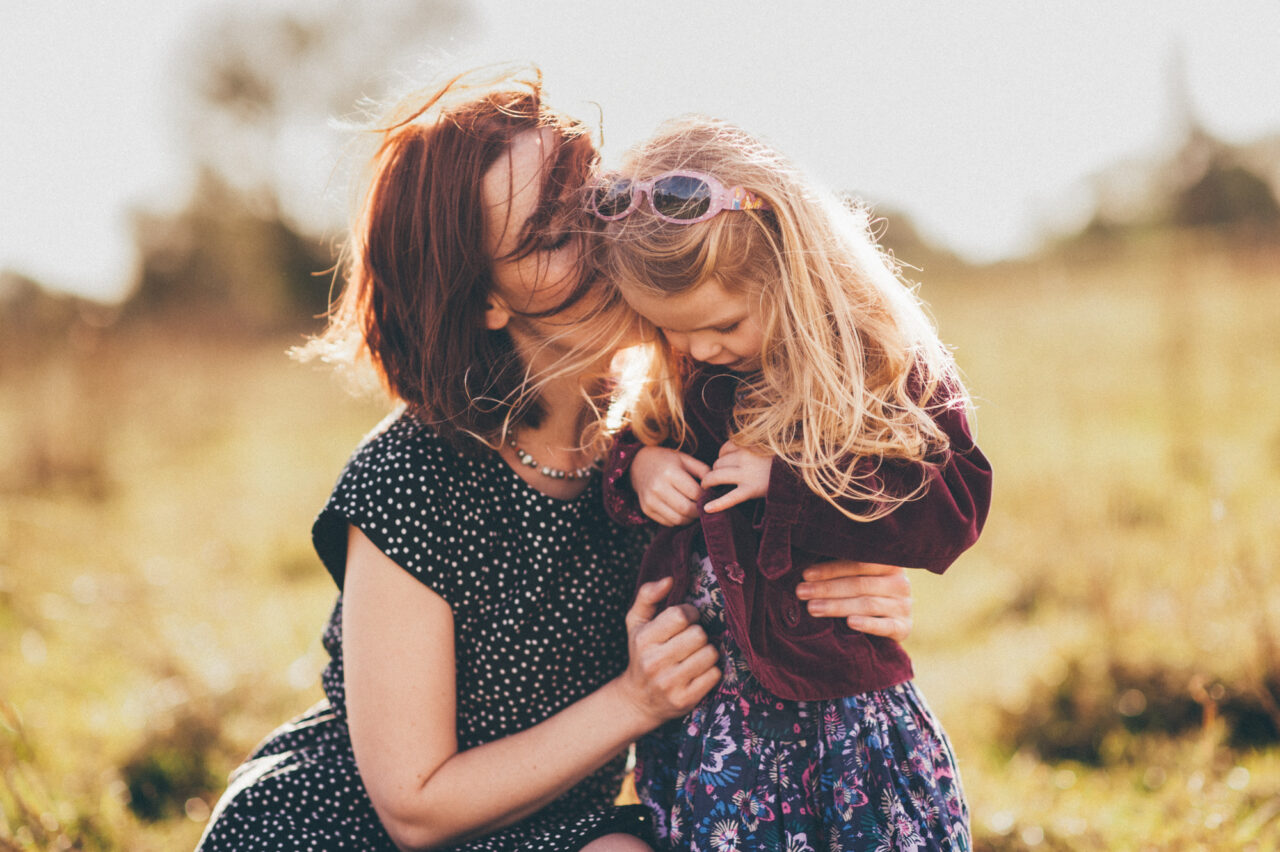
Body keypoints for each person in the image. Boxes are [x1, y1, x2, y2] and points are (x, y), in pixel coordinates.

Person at [195, 68, 919, 852]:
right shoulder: (411, 478)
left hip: (561, 829)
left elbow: (773, 572)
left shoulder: (670, 432)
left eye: (601, 200)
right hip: (341, 832)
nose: (608, 240)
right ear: (484, 299)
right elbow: (414, 806)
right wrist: (636, 702)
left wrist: (852, 588)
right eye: (552, 235)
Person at [592, 116, 993, 850]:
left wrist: (794, 487)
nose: (697, 350)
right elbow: (619, 451)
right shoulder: (681, 377)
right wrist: (637, 468)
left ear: (786, 268)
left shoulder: (873, 363)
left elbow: (954, 506)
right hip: (715, 727)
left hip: (843, 716)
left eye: (722, 326)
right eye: (670, 333)